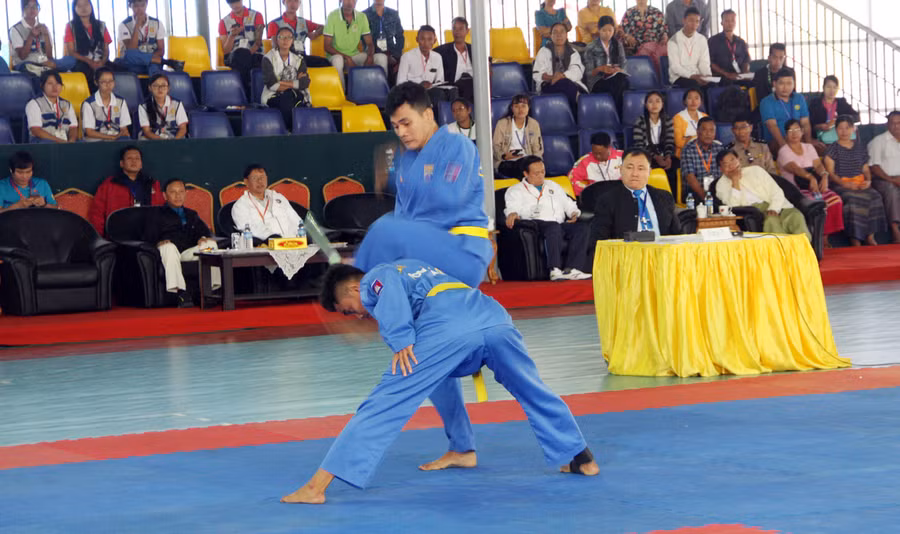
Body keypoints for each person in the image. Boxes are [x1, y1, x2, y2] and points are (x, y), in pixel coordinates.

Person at [281, 260, 598, 504]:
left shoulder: (376, 277)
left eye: (350, 311)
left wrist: (400, 339)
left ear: (353, 289)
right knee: (530, 388)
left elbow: (387, 287)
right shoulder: (416, 267)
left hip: (449, 326)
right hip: (492, 317)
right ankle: (578, 458)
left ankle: (315, 487)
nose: (359, 316)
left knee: (383, 403)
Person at [354, 83, 494, 289]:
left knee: (385, 230)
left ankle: (356, 285)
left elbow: (446, 199)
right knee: (383, 233)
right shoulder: (406, 160)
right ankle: (359, 284)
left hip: (461, 248)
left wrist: (392, 176)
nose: (401, 132)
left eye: (406, 123)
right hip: (423, 251)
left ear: (428, 115)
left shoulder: (458, 146)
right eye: (395, 126)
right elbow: (403, 214)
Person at [505, 156, 591, 281]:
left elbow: (568, 203)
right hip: (536, 224)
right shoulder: (515, 190)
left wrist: (573, 213)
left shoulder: (553, 186)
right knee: (553, 227)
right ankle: (554, 269)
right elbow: (512, 207)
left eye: (543, 172)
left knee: (582, 228)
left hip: (558, 223)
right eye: (536, 173)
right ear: (525, 174)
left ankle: (573, 269)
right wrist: (512, 213)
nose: (541, 176)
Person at [144, 178, 220, 307]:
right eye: (173, 192)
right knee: (169, 247)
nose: (178, 195)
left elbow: (205, 232)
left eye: (181, 192)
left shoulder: (191, 214)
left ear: (185, 194)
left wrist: (202, 237)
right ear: (165, 195)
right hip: (168, 252)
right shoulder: (156, 214)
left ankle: (212, 290)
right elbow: (147, 236)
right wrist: (157, 242)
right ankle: (180, 293)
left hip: (187, 252)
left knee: (210, 245)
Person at [591, 148, 683, 240]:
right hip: (627, 249)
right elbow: (598, 242)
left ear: (649, 171)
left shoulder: (664, 197)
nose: (635, 174)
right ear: (621, 169)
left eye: (640, 168)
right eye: (629, 168)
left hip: (662, 248)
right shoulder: (607, 201)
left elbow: (678, 237)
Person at [715, 150, 810, 239]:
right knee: (771, 221)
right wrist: (735, 182)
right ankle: (782, 250)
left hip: (779, 205)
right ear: (721, 169)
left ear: (739, 160)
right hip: (755, 211)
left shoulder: (756, 170)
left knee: (796, 216)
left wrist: (774, 208)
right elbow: (732, 206)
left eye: (732, 160)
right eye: (726, 164)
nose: (731, 166)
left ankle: (804, 249)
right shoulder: (720, 185)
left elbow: (776, 191)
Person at [777, 118, 845, 239]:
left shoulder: (809, 147)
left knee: (836, 200)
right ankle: (815, 238)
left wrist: (824, 175)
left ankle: (824, 237)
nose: (794, 133)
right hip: (795, 190)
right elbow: (795, 168)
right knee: (815, 205)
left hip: (814, 187)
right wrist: (811, 178)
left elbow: (818, 165)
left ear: (802, 131)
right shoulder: (783, 151)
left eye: (797, 130)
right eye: (790, 131)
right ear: (786, 134)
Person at [824, 116, 887, 246]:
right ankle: (855, 238)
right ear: (836, 130)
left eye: (847, 128)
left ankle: (870, 236)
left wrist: (868, 181)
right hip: (841, 184)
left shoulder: (859, 147)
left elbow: (865, 169)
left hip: (860, 183)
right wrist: (845, 184)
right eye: (840, 128)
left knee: (875, 196)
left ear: (853, 129)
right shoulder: (832, 149)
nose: (844, 131)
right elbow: (831, 173)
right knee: (852, 200)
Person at [88, 145, 164, 236]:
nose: (134, 161)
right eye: (129, 158)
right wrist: (99, 239)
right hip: (118, 236)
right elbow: (96, 214)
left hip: (147, 235)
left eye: (137, 158)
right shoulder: (109, 185)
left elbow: (161, 211)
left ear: (141, 164)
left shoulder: (152, 183)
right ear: (122, 163)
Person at [324, 0, 388, 90]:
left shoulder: (361, 17)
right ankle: (342, 94)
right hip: (336, 55)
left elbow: (369, 43)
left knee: (381, 57)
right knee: (338, 60)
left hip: (354, 55)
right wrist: (346, 58)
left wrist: (370, 56)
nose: (350, 2)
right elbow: (327, 46)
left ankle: (382, 92)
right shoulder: (332, 16)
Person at [231, 164, 302, 240]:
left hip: (293, 242)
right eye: (255, 178)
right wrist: (273, 238)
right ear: (246, 182)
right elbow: (250, 230)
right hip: (266, 244)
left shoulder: (278, 197)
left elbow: (296, 221)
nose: (260, 181)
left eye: (262, 177)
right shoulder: (240, 206)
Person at [759, 67, 820, 154]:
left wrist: (808, 144)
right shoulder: (766, 102)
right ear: (774, 84)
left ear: (794, 84)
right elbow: (772, 126)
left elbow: (805, 123)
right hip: (777, 140)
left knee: (821, 149)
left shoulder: (799, 98)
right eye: (781, 83)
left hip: (798, 138)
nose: (785, 87)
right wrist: (784, 147)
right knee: (791, 153)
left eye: (789, 83)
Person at [115, 0, 183, 77]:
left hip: (152, 63)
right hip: (132, 64)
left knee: (153, 66)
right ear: (130, 6)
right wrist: (137, 25)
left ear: (147, 4)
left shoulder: (157, 23)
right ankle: (166, 62)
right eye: (136, 6)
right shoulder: (124, 25)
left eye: (142, 5)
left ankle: (157, 78)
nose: (140, 9)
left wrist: (147, 59)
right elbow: (132, 50)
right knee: (129, 54)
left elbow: (161, 50)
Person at [262, 26, 310, 130]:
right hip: (273, 96)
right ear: (276, 40)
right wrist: (295, 83)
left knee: (290, 98)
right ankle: (292, 131)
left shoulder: (299, 59)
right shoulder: (268, 58)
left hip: (295, 95)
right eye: (282, 37)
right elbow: (272, 85)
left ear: (292, 40)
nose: (285, 40)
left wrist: (281, 82)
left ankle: (289, 132)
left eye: (289, 37)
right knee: (288, 99)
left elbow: (304, 83)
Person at [397, 25, 457, 108]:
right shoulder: (407, 57)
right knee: (438, 94)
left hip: (431, 90)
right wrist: (419, 85)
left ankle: (452, 115)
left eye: (429, 39)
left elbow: (440, 80)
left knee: (453, 91)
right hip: (413, 92)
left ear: (434, 41)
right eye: (422, 39)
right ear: (417, 39)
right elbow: (400, 83)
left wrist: (434, 84)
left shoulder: (437, 57)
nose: (426, 43)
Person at [532, 23, 587, 113]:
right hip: (550, 85)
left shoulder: (573, 52)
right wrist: (553, 78)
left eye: (562, 32)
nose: (559, 35)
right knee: (566, 84)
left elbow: (577, 71)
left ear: (566, 35)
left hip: (572, 84)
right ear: (551, 36)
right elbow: (537, 74)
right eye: (555, 32)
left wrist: (561, 76)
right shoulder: (543, 51)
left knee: (567, 84)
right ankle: (578, 113)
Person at [9, 0, 71, 76]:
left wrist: (46, 35)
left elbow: (49, 56)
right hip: (26, 63)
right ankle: (50, 69)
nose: (32, 9)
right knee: (27, 66)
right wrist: (31, 36)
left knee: (70, 60)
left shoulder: (43, 27)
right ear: (23, 9)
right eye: (28, 6)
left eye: (35, 6)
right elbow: (22, 56)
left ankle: (47, 68)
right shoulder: (15, 29)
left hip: (46, 61)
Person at [63, 0, 114, 93]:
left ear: (91, 6)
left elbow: (106, 49)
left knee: (120, 70)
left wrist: (102, 61)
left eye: (86, 5)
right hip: (82, 61)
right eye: (79, 6)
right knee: (86, 72)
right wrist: (89, 61)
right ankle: (93, 98)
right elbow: (71, 51)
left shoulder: (101, 25)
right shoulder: (70, 26)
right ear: (74, 9)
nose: (83, 8)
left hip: (100, 60)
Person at [632, 91, 677, 192]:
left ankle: (672, 197)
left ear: (662, 104)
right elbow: (639, 145)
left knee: (675, 167)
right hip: (647, 153)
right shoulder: (640, 121)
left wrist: (668, 157)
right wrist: (656, 157)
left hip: (663, 152)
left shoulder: (667, 120)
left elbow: (669, 141)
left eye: (657, 101)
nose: (654, 104)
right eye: (650, 101)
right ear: (645, 105)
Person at [582, 16, 629, 111]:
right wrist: (601, 68)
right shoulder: (591, 47)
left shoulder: (617, 45)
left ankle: (614, 112)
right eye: (604, 30)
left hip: (615, 78)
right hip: (598, 80)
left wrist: (619, 70)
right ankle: (617, 113)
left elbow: (623, 64)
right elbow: (589, 73)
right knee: (619, 84)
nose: (607, 33)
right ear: (599, 30)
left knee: (623, 81)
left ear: (614, 30)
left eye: (610, 30)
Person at [493, 94, 544, 177]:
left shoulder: (534, 124)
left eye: (523, 106)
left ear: (528, 108)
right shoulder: (502, 123)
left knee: (531, 169)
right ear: (512, 108)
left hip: (527, 161)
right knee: (522, 170)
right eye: (516, 106)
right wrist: (504, 156)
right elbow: (495, 146)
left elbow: (537, 148)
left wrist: (535, 162)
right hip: (506, 161)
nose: (520, 110)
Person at [218, 0, 265, 93]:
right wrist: (232, 36)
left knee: (247, 58)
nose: (235, 5)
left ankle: (243, 93)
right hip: (234, 57)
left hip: (255, 54)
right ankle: (249, 93)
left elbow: (258, 42)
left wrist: (247, 54)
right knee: (240, 55)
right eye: (232, 3)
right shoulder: (223, 22)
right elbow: (226, 51)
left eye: (237, 2)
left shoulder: (256, 15)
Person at [267, 0, 329, 68]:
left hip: (302, 57)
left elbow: (322, 27)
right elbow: (275, 46)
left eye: (296, 1)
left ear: (299, 3)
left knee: (325, 62)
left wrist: (315, 34)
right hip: (285, 58)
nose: (293, 4)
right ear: (283, 2)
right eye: (289, 1)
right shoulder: (274, 23)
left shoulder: (304, 22)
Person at [868, 111, 900, 244]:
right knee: (891, 190)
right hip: (883, 180)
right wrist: (892, 180)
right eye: (893, 123)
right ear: (887, 124)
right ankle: (895, 230)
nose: (896, 126)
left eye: (899, 123)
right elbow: (873, 167)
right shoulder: (878, 141)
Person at [25, 69, 78, 144]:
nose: (55, 87)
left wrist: (71, 141)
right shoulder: (34, 103)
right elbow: (36, 130)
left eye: (58, 83)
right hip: (43, 142)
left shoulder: (67, 104)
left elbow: (73, 127)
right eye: (50, 83)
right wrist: (60, 141)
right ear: (42, 85)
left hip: (64, 141)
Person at [82, 67, 131, 141]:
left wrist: (122, 134)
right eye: (104, 82)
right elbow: (89, 132)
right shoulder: (89, 104)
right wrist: (111, 137)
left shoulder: (121, 101)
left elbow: (124, 128)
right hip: (96, 140)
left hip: (115, 137)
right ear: (96, 82)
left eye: (111, 81)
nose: (108, 85)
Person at [666, 7, 711, 89]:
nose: (694, 24)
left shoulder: (702, 39)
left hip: (697, 75)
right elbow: (675, 67)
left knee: (713, 85)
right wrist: (692, 76)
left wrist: (707, 75)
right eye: (691, 20)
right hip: (680, 77)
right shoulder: (673, 41)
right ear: (684, 21)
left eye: (697, 21)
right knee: (694, 85)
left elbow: (704, 62)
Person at [681, 117, 725, 200]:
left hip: (717, 192)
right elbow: (690, 177)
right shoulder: (688, 149)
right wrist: (705, 198)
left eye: (711, 130)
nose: (708, 134)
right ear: (698, 132)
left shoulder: (720, 149)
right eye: (704, 130)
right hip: (695, 194)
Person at [808, 76, 859, 145]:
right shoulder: (815, 103)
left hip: (841, 135)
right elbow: (809, 123)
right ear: (823, 88)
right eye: (828, 87)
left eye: (835, 87)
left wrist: (840, 120)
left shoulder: (841, 102)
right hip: (822, 138)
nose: (832, 90)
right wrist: (819, 126)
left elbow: (856, 117)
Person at [433, 17, 474, 103]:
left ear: (467, 31)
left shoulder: (474, 50)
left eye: (460, 29)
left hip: (474, 86)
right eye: (454, 28)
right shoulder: (442, 51)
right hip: (454, 88)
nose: (457, 32)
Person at [569, 132, 622, 196]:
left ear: (609, 148)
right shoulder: (584, 161)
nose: (597, 156)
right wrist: (588, 190)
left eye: (600, 153)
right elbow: (571, 179)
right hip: (597, 196)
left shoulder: (623, 156)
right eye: (594, 153)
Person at [138, 73, 188, 140]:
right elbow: (146, 131)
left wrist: (174, 141)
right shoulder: (143, 106)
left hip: (173, 136)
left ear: (168, 88)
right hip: (154, 137)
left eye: (163, 85)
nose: (160, 89)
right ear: (150, 88)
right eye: (156, 86)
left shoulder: (177, 104)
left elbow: (183, 128)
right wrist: (162, 142)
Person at [363, 0, 404, 81]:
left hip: (392, 52)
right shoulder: (364, 15)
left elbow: (400, 36)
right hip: (372, 53)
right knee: (381, 59)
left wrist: (396, 56)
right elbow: (363, 39)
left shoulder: (393, 14)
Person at [620, 0, 668, 69]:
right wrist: (627, 36)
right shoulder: (629, 12)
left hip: (654, 47)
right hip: (635, 47)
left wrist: (665, 36)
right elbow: (621, 31)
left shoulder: (657, 12)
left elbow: (665, 30)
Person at [707, 9, 751, 86]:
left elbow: (746, 60)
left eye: (732, 20)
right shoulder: (713, 41)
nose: (730, 23)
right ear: (721, 22)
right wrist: (727, 74)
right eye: (727, 21)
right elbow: (710, 62)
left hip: (738, 77)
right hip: (721, 77)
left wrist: (745, 73)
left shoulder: (741, 42)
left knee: (758, 81)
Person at [673, 87, 707, 158]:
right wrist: (700, 139)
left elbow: (710, 137)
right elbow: (678, 142)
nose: (693, 101)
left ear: (701, 101)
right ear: (685, 101)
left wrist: (689, 138)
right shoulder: (678, 118)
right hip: (685, 154)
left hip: (703, 153)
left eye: (696, 98)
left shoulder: (705, 116)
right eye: (690, 98)